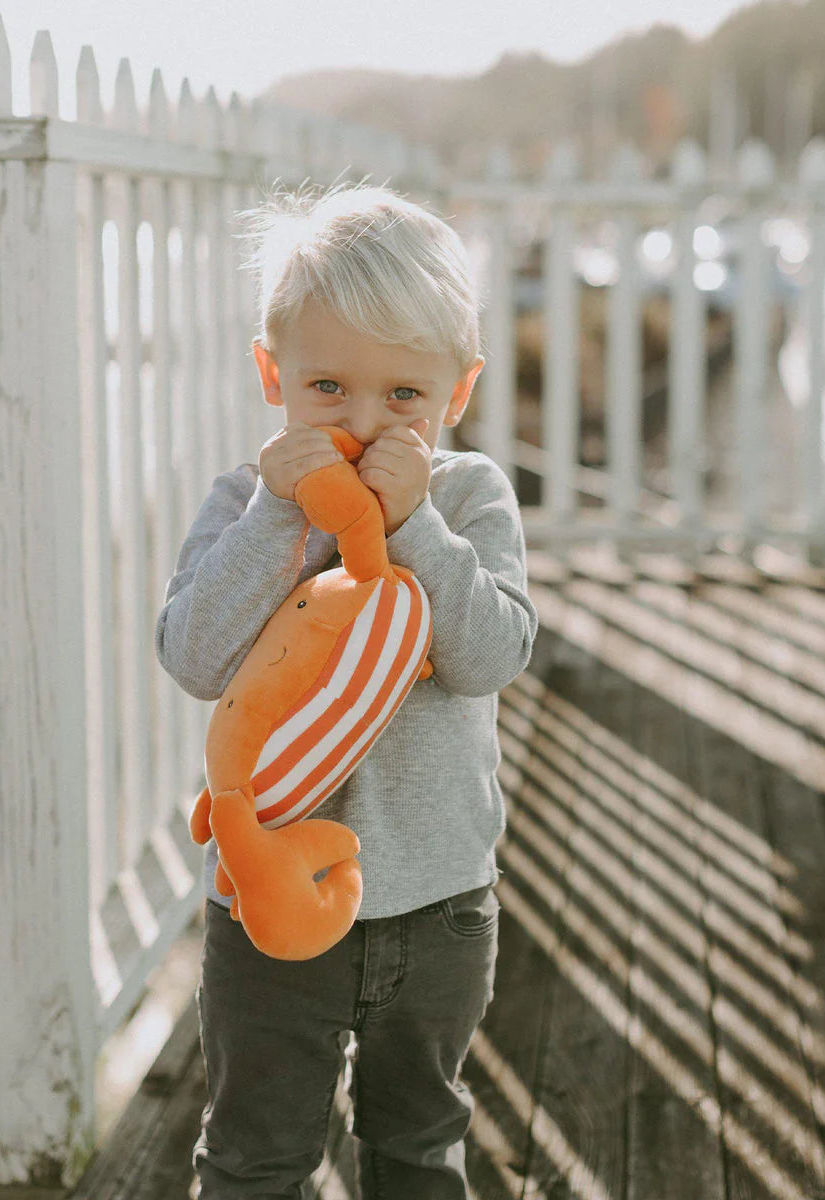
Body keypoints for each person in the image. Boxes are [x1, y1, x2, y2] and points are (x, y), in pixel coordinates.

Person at [155, 178, 539, 1199]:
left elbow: (492, 655)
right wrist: (282, 519)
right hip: (267, 907)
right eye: (329, 388)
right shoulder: (247, 502)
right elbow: (193, 657)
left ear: (456, 392)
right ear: (272, 372)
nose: (365, 424)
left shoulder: (468, 496)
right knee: (255, 1155)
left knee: (418, 1148)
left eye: (404, 397)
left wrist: (417, 528)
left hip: (440, 902)